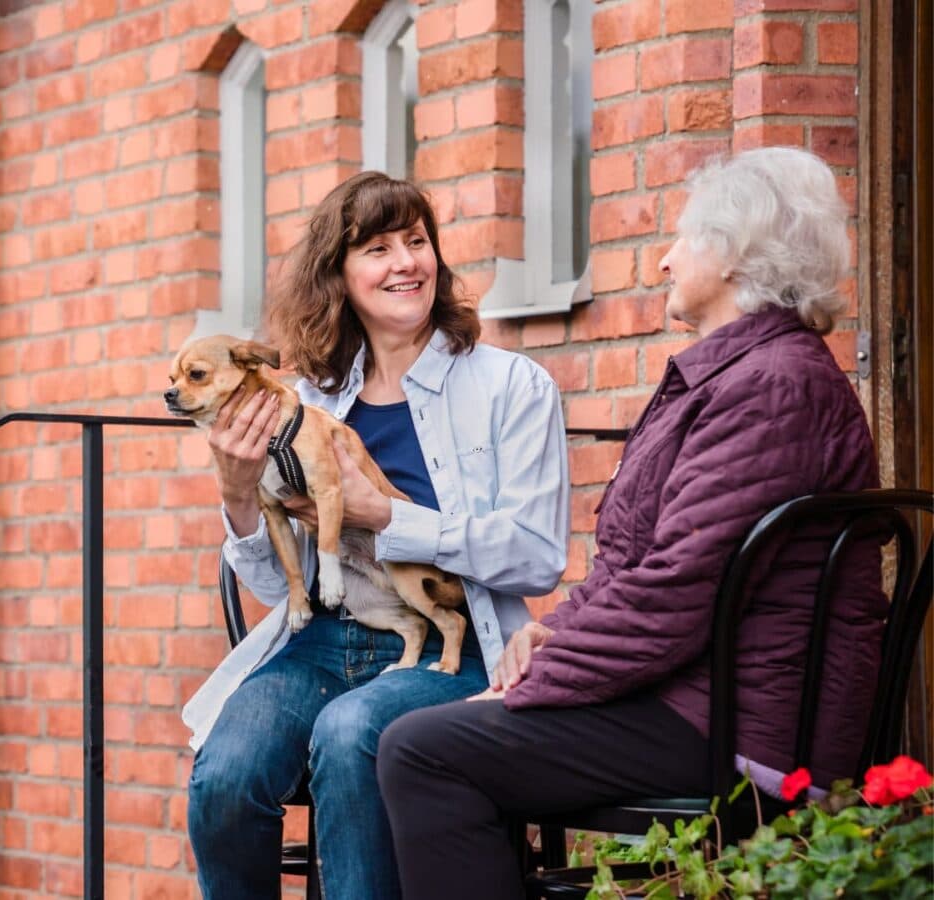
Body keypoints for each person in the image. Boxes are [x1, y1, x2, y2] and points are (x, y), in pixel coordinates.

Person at [376, 147, 886, 900]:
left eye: (684, 238)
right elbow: (637, 565)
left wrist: (531, 684)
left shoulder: (771, 390)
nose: (664, 260)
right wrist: (552, 633)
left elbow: (677, 591)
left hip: (741, 725)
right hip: (697, 697)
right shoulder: (743, 376)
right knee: (436, 738)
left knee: (425, 750)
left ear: (735, 256)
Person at [182, 171, 570, 900]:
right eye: (378, 249)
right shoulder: (305, 401)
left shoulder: (511, 386)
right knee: (229, 770)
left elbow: (537, 557)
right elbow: (272, 584)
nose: (405, 264)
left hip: (459, 646)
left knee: (351, 733)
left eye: (416, 242)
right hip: (322, 642)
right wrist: (237, 492)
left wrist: (386, 516)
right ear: (340, 277)